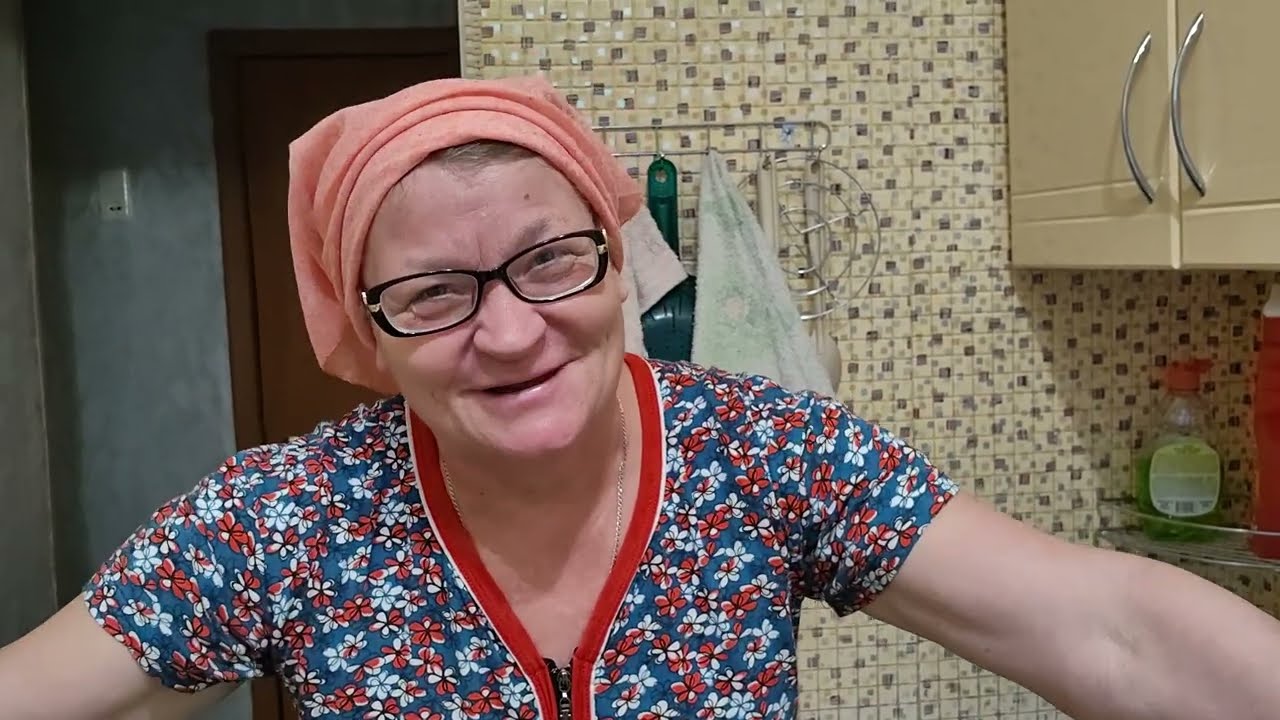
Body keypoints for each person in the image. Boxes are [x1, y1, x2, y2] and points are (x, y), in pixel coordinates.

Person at [1, 75, 1278, 720]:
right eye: (434, 293)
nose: (511, 331)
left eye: (552, 260)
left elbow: (1109, 628)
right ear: (368, 333)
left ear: (619, 263)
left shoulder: (760, 451)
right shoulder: (282, 518)